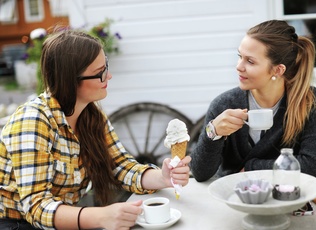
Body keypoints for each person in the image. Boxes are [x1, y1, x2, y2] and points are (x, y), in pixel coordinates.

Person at [0, 29, 191, 230]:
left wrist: (162, 178)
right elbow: (36, 207)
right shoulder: (33, 120)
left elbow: (121, 166)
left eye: (105, 66)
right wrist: (102, 216)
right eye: (99, 73)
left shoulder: (91, 116)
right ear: (70, 81)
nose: (108, 75)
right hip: (14, 224)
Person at [190, 20, 316, 182]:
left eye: (250, 61)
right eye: (239, 57)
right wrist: (213, 132)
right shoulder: (223, 104)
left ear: (278, 70)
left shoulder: (307, 101)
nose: (238, 66)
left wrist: (252, 168)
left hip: (286, 198)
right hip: (232, 198)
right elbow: (200, 174)